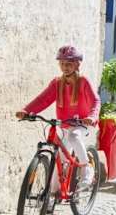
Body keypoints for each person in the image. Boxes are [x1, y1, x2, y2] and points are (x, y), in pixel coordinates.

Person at [16, 45, 100, 190]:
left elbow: (95, 100)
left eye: (69, 64)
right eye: (62, 63)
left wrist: (92, 116)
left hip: (82, 122)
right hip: (65, 125)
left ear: (77, 65)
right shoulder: (57, 83)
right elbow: (43, 99)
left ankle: (86, 168)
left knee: (74, 136)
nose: (65, 67)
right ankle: (54, 194)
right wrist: (26, 110)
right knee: (60, 158)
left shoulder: (83, 82)